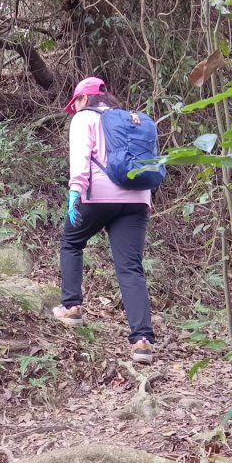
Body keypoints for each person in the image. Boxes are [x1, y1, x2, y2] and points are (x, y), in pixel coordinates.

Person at [52, 76, 156, 365]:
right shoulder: (131, 120)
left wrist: (75, 192)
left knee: (72, 243)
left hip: (98, 195)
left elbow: (81, 158)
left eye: (76, 103)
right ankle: (142, 341)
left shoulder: (84, 118)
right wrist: (145, 201)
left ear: (84, 99)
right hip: (137, 199)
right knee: (131, 268)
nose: (75, 109)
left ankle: (72, 307)